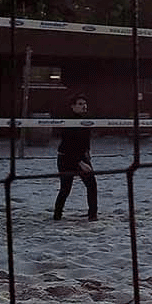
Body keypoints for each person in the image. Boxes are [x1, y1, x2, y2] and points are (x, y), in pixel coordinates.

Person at [53, 93, 98, 221]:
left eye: (84, 104)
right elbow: (68, 145)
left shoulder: (86, 120)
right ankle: (57, 216)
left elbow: (85, 141)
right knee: (65, 189)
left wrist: (87, 155)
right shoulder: (69, 121)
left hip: (81, 156)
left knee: (92, 185)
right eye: (80, 104)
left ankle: (93, 216)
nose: (84, 106)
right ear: (73, 106)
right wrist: (80, 163)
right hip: (66, 158)